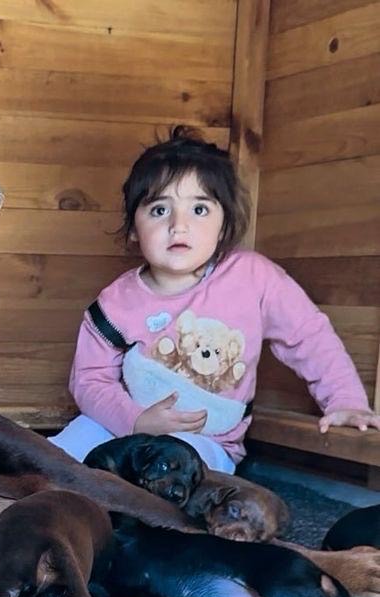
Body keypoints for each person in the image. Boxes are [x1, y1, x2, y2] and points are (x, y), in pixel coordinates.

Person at [49, 127, 380, 473]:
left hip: (206, 442)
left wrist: (346, 400)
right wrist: (135, 421)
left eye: (199, 209)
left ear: (224, 225)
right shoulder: (116, 301)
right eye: (159, 210)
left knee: (177, 470)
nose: (179, 226)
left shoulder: (253, 277)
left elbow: (309, 336)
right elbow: (89, 380)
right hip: (119, 426)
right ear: (133, 228)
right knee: (65, 450)